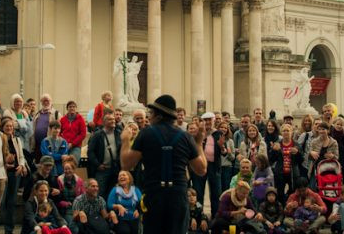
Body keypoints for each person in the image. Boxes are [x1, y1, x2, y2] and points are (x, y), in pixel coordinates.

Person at [120, 94, 207, 234]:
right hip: (178, 196)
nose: (149, 117)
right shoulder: (185, 137)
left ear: (159, 116)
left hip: (154, 195)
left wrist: (125, 141)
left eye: (151, 113)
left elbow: (126, 164)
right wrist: (199, 143)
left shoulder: (145, 134)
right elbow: (201, 169)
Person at [0, 117, 28, 234]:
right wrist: (5, 164)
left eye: (11, 126)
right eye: (7, 126)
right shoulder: (0, 140)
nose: (9, 128)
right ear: (3, 127)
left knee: (11, 202)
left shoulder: (17, 140)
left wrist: (21, 165)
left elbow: (21, 156)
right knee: (2, 202)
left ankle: (9, 229)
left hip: (15, 173)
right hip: (3, 174)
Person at [87, 112, 121, 199]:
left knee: (113, 194)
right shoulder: (97, 135)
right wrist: (97, 165)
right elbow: (90, 152)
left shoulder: (119, 133)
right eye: (110, 119)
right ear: (104, 122)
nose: (113, 121)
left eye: (113, 119)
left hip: (115, 169)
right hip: (102, 170)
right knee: (100, 193)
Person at [269, 123, 302, 204]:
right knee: (280, 194)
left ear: (292, 132)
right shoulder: (277, 144)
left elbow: (301, 160)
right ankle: (281, 210)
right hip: (280, 173)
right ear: (281, 133)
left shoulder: (296, 144)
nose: (286, 132)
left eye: (288, 131)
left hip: (293, 173)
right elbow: (271, 160)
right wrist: (274, 150)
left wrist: (297, 153)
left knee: (293, 193)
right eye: (284, 131)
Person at [57, 158, 85, 234]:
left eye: (69, 169)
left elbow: (83, 197)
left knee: (83, 225)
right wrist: (65, 204)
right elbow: (57, 199)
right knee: (74, 228)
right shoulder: (59, 180)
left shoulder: (79, 180)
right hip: (66, 209)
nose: (67, 171)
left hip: (77, 208)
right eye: (65, 169)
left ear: (73, 170)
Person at [309, 122, 339, 189]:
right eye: (319, 129)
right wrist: (311, 153)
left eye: (323, 129)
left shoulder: (334, 142)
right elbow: (309, 156)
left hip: (329, 169)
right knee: (316, 188)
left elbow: (337, 157)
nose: (321, 131)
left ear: (328, 131)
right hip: (316, 169)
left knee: (327, 189)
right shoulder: (314, 141)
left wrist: (332, 156)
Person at [33, 94, 60, 161]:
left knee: (48, 162)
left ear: (50, 101)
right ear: (41, 102)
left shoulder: (56, 113)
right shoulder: (37, 113)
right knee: (39, 163)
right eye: (44, 101)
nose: (45, 103)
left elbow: (60, 129)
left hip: (50, 144)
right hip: (37, 144)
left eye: (47, 101)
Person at [331, 117, 344, 182]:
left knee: (342, 180)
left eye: (341, 125)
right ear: (334, 124)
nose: (339, 126)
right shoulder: (330, 135)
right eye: (338, 124)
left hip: (343, 161)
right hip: (332, 161)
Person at [219, 121, 235, 192]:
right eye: (221, 127)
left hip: (227, 167)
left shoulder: (230, 141)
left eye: (225, 128)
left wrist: (229, 153)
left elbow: (232, 158)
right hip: (217, 167)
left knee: (226, 189)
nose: (223, 129)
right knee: (217, 189)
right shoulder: (215, 140)